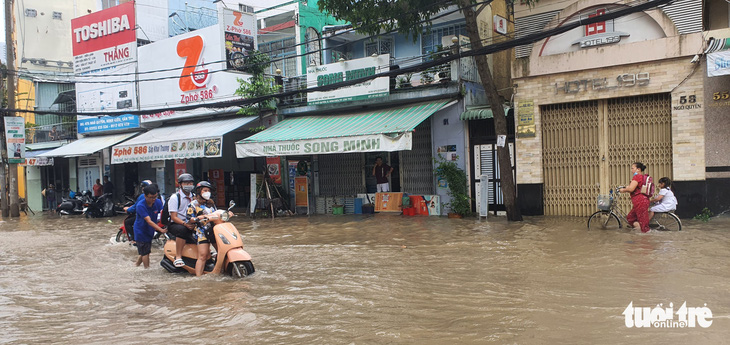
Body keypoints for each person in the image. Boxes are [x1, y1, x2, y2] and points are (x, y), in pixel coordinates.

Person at [186, 181, 218, 276]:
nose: (207, 192)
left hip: (214, 231)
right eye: (205, 190)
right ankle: (198, 278)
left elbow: (217, 214)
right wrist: (197, 218)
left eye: (208, 190)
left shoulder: (211, 204)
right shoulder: (193, 204)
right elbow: (189, 219)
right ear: (199, 192)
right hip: (202, 232)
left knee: (221, 251)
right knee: (203, 256)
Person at [133, 184, 166, 268]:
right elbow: (149, 221)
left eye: (155, 197)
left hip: (150, 230)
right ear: (145, 196)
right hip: (141, 231)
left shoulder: (157, 202)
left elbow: (162, 214)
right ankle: (147, 269)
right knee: (145, 252)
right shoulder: (140, 205)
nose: (153, 199)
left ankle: (136, 266)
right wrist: (160, 230)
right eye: (151, 197)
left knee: (145, 251)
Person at [167, 173, 197, 268]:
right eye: (186, 183)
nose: (188, 185)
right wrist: (185, 224)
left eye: (190, 183)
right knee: (182, 230)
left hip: (191, 221)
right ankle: (178, 256)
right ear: (180, 184)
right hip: (177, 223)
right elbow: (174, 217)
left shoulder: (195, 197)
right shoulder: (175, 198)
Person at [619, 162, 651, 233]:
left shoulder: (637, 177)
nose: (631, 170)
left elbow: (631, 189)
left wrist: (623, 190)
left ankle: (645, 238)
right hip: (642, 200)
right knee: (630, 217)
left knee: (643, 222)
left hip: (640, 201)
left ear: (638, 169)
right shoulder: (642, 177)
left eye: (632, 168)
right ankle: (639, 232)